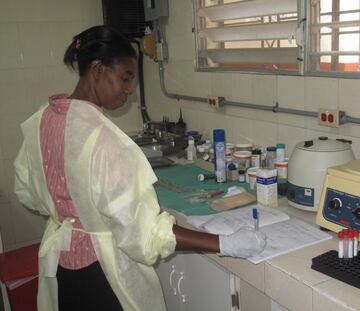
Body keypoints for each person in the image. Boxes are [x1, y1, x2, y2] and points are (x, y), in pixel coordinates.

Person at [13, 25, 266, 311]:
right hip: (103, 278)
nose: (129, 90)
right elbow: (146, 236)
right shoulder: (105, 141)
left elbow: (27, 192)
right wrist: (227, 243)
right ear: (97, 69)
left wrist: (74, 215)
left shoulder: (43, 120)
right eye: (125, 78)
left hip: (61, 269)